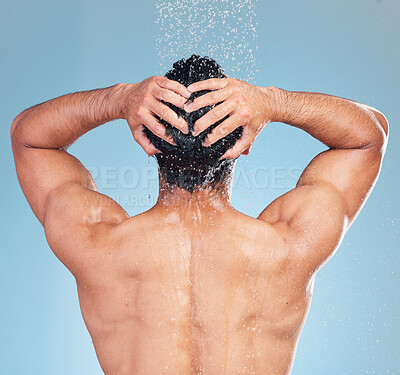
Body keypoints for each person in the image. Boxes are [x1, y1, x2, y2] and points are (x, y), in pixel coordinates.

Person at [11, 55, 388, 375]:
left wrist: (118, 98)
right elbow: (368, 137)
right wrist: (273, 102)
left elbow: (28, 137)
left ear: (147, 141)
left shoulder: (97, 242)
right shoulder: (288, 242)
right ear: (243, 145)